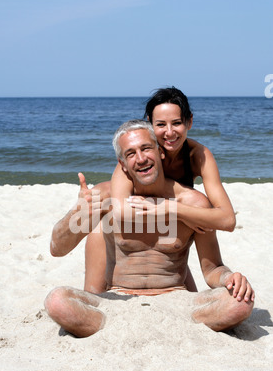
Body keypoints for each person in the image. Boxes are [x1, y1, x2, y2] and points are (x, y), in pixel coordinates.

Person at [45, 120, 254, 338]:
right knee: (57, 300)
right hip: (118, 301)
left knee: (240, 302)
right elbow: (56, 248)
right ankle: (112, 327)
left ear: (160, 152)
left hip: (177, 301)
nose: (141, 158)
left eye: (146, 148)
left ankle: (176, 326)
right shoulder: (104, 197)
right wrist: (76, 214)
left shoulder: (192, 204)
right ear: (122, 163)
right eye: (131, 153)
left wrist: (229, 278)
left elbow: (212, 270)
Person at [84, 87, 236, 293]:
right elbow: (120, 211)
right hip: (130, 235)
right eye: (161, 124)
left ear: (189, 121)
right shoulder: (143, 155)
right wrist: (179, 212)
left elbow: (227, 219)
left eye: (177, 123)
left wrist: (176, 210)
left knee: (188, 296)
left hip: (170, 241)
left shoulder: (198, 156)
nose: (170, 132)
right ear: (150, 124)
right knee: (94, 295)